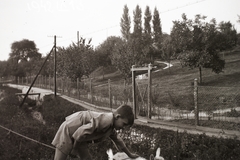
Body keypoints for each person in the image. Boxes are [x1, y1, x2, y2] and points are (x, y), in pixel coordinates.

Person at [52, 104, 140, 160]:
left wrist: (130, 154)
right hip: (69, 131)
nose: (123, 128)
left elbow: (118, 141)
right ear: (117, 117)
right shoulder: (106, 121)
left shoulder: (111, 127)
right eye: (124, 124)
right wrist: (74, 149)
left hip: (80, 138)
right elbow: (80, 132)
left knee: (86, 158)